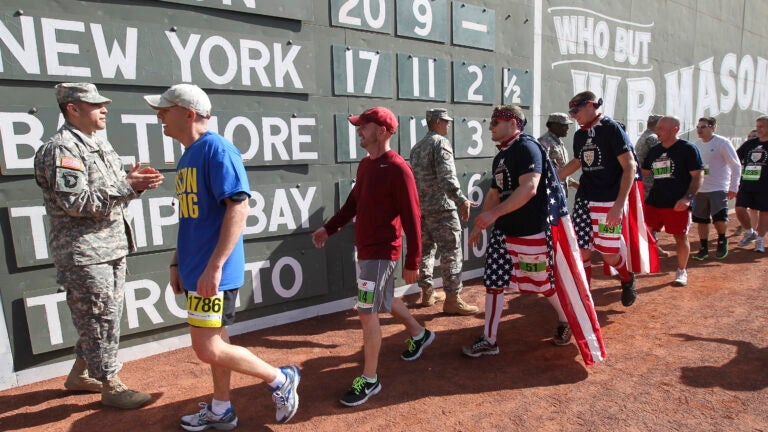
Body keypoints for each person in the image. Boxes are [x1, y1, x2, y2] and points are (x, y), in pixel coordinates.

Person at [145, 84, 300, 429]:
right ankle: (220, 409)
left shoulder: (217, 149)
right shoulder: (188, 155)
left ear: (188, 113)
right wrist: (176, 261)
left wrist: (213, 268)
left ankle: (280, 378)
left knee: (207, 348)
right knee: (216, 341)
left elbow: (239, 208)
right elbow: (193, 217)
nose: (160, 116)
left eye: (165, 110)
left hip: (212, 271)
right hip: (196, 268)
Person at [33, 83, 163, 409]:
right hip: (84, 252)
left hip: (110, 246)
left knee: (105, 314)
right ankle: (110, 384)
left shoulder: (98, 144)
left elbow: (113, 192)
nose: (104, 109)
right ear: (72, 109)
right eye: (95, 105)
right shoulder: (61, 150)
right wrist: (126, 185)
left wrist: (133, 184)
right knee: (98, 316)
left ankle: (80, 374)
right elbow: (77, 203)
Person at [460, 105, 605, 361]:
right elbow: (494, 193)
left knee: (542, 284)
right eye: (491, 122)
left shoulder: (527, 147)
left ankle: (564, 319)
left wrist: (492, 215)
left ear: (514, 123)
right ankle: (489, 340)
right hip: (505, 231)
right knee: (494, 283)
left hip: (531, 230)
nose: (490, 126)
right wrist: (481, 224)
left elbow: (529, 188)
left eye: (496, 121)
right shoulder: (501, 156)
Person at [311, 106, 432, 407]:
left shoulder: (398, 168)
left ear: (382, 131)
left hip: (381, 252)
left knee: (367, 312)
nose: (358, 131)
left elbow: (412, 217)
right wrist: (329, 228)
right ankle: (419, 333)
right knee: (384, 298)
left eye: (363, 127)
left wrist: (412, 260)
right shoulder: (366, 165)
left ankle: (370, 379)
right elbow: (353, 204)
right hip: (366, 250)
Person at [557, 91, 641, 306]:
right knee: (583, 251)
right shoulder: (580, 135)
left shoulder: (611, 128)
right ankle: (586, 299)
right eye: (571, 111)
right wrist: (556, 177)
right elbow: (578, 161)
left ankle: (627, 277)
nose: (573, 116)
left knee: (609, 256)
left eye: (575, 110)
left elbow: (629, 166)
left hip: (608, 202)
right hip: (585, 199)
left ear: (590, 105)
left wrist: (618, 205)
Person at [409, 108, 479, 315]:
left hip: (423, 210)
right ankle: (452, 299)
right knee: (451, 252)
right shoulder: (440, 143)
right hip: (442, 209)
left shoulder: (417, 147)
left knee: (426, 251)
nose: (448, 125)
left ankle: (427, 293)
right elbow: (447, 177)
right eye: (446, 122)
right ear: (437, 122)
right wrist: (461, 200)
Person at [641, 116, 704, 286]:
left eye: (662, 128)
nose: (657, 131)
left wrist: (688, 198)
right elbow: (643, 172)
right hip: (655, 200)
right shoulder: (654, 150)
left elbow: (698, 176)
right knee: (643, 231)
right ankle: (640, 265)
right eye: (658, 128)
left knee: (680, 236)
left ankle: (681, 271)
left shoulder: (688, 149)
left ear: (674, 129)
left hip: (677, 202)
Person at [691, 117, 741, 260]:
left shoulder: (722, 143)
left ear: (713, 127)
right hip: (700, 189)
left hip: (719, 187)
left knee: (719, 218)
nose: (699, 129)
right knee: (701, 220)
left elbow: (735, 165)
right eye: (698, 126)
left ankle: (721, 239)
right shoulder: (696, 145)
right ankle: (703, 248)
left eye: (703, 126)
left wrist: (733, 186)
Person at [735, 116, 768, 253]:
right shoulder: (750, 144)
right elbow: (735, 158)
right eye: (757, 126)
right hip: (747, 183)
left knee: (764, 213)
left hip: (765, 185)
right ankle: (750, 231)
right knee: (739, 208)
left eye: (762, 126)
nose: (758, 129)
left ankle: (760, 241)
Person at [538, 112, 574, 196]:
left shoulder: (559, 143)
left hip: (559, 192)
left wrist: (576, 185)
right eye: (564, 125)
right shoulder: (544, 142)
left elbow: (561, 170)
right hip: (550, 193)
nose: (567, 128)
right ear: (553, 125)